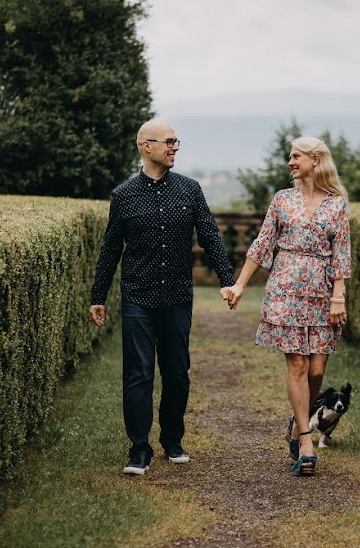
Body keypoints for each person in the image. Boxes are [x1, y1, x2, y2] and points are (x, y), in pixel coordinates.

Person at [89, 119, 235, 475]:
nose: (175, 148)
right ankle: (139, 449)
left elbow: (211, 237)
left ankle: (172, 440)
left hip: (177, 297)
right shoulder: (123, 195)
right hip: (137, 298)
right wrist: (98, 294)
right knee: (138, 374)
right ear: (146, 146)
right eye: (169, 142)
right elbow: (111, 248)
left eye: (176, 141)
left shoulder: (189, 190)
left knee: (177, 374)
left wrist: (227, 279)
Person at [224, 136, 351, 476]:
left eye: (296, 156)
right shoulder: (282, 200)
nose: (290, 162)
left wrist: (338, 296)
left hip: (322, 294)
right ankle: (306, 438)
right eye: (290, 157)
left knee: (317, 371)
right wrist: (239, 285)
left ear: (315, 160)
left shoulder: (337, 205)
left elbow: (341, 254)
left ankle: (296, 422)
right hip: (285, 290)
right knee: (296, 365)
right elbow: (263, 244)